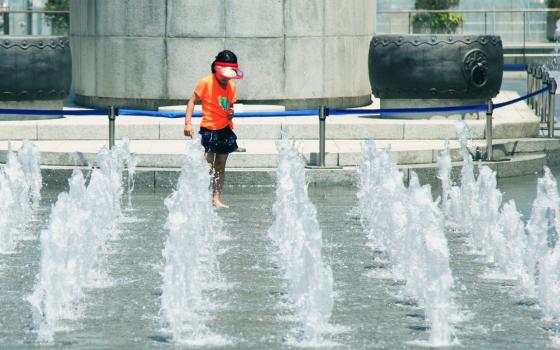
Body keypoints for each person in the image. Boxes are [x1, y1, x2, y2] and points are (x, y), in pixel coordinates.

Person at [184, 50, 244, 208]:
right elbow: (192, 102)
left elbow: (229, 108)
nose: (226, 78)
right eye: (223, 75)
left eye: (229, 75)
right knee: (207, 166)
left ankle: (216, 198)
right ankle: (200, 197)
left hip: (225, 129)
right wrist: (187, 123)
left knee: (220, 166)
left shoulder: (232, 86)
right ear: (216, 69)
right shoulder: (206, 82)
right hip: (209, 129)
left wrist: (231, 114)